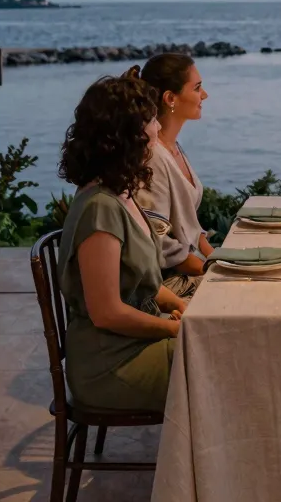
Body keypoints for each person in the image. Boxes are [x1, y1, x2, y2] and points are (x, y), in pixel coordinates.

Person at [56, 70, 186, 412]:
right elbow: (108, 313)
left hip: (132, 344)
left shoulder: (121, 193)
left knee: (225, 345)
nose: (158, 128)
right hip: (111, 363)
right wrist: (172, 331)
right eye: (151, 121)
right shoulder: (100, 208)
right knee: (223, 359)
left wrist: (182, 307)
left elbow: (142, 280)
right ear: (126, 136)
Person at [137, 52, 213, 298]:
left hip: (193, 268)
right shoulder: (151, 157)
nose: (204, 95)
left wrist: (220, 261)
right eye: (197, 88)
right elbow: (158, 242)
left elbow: (192, 227)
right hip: (168, 284)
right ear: (170, 98)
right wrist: (211, 270)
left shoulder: (173, 148)